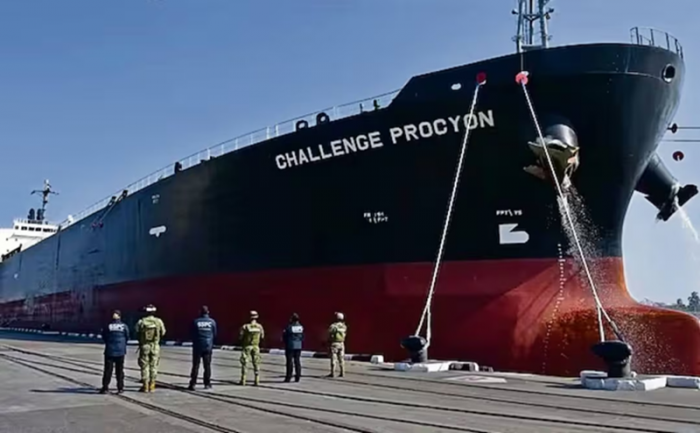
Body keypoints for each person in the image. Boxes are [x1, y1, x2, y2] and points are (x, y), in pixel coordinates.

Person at [134, 304, 166, 392]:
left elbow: (136, 331)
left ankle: (145, 385)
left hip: (145, 346)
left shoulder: (141, 322)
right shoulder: (158, 321)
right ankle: (152, 385)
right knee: (154, 366)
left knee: (144, 366)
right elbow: (163, 332)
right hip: (155, 346)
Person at [100, 310, 129, 394]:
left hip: (110, 351)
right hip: (120, 351)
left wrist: (109, 343)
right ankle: (120, 388)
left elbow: (104, 336)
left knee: (108, 370)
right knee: (119, 370)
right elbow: (127, 336)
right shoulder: (124, 326)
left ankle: (105, 388)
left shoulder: (108, 326)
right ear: (120, 316)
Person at [189, 305, 217, 390]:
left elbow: (191, 333)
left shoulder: (195, 322)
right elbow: (214, 333)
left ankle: (193, 384)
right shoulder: (212, 322)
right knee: (207, 366)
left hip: (197, 346)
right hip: (208, 346)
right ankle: (207, 383)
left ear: (200, 312)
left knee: (195, 365)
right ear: (208, 312)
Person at [239, 310, 264, 386]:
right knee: (256, 363)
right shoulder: (260, 327)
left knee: (245, 363)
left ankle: (243, 380)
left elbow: (240, 337)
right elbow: (262, 336)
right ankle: (257, 380)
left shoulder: (245, 326)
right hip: (256, 346)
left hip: (247, 346)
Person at [282, 313, 304, 382]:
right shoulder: (301, 327)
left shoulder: (289, 327)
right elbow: (302, 337)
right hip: (298, 346)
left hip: (290, 346)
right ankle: (298, 376)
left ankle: (288, 377)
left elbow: (285, 336)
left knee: (289, 362)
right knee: (297, 361)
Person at [328, 311, 347, 378]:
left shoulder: (333, 326)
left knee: (333, 358)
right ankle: (342, 372)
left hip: (334, 343)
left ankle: (332, 373)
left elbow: (329, 333)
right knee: (341, 358)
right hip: (342, 343)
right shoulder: (344, 326)